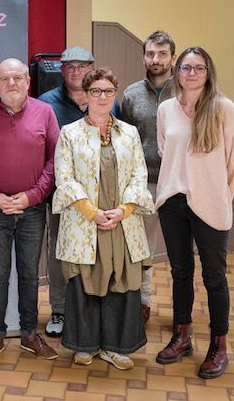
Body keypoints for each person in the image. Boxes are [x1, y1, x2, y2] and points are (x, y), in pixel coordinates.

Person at [52, 68, 154, 370]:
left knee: (120, 284)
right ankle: (85, 345)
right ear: (85, 95)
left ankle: (115, 346)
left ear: (115, 95)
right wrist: (91, 212)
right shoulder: (69, 133)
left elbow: (139, 175)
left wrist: (124, 210)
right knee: (86, 284)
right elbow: (65, 178)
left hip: (122, 223)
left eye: (108, 91)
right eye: (95, 91)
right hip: (86, 223)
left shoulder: (130, 134)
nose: (102, 97)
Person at [154, 47, 234, 379]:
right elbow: (166, 150)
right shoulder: (166, 109)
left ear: (209, 72)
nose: (191, 73)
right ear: (177, 72)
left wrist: (222, 194)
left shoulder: (223, 108)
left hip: (210, 204)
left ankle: (219, 345)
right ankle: (183, 335)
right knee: (181, 273)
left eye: (198, 68)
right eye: (186, 67)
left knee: (214, 277)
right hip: (173, 203)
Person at [0, 58, 59, 364]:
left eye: (18, 78)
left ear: (28, 82)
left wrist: (32, 196)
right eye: (5, 79)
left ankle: (30, 333)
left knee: (30, 274)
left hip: (32, 210)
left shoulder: (45, 112)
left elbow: (54, 161)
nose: (12, 84)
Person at [38, 46, 121, 338]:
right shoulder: (46, 104)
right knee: (61, 255)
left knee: (102, 254)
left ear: (92, 67)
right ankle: (59, 309)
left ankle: (94, 309)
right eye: (69, 66)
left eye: (82, 65)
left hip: (106, 199)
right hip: (65, 198)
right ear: (61, 70)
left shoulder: (109, 101)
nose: (76, 71)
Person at [121, 31, 176, 324]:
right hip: (143, 184)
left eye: (162, 53)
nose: (156, 59)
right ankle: (142, 302)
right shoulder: (130, 94)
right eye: (151, 54)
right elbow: (125, 140)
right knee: (142, 247)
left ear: (172, 57)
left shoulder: (186, 91)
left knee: (180, 251)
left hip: (178, 183)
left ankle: (182, 314)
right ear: (144, 56)